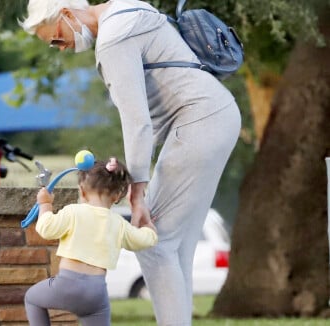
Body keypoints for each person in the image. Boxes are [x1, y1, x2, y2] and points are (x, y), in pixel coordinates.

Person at [20, 0, 241, 325]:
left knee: (155, 244)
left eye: (56, 38)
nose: (61, 48)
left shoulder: (113, 39)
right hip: (217, 114)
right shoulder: (129, 8)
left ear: (66, 14)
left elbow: (137, 122)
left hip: (201, 121)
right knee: (176, 247)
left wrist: (137, 192)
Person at [25, 157, 158, 326]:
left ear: (82, 191)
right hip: (96, 293)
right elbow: (143, 240)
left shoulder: (73, 212)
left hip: (66, 285)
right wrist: (149, 228)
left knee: (32, 299)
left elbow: (46, 228)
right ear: (117, 196)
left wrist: (45, 204)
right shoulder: (118, 223)